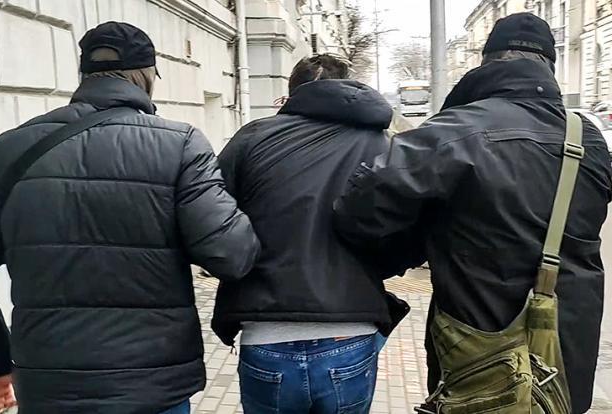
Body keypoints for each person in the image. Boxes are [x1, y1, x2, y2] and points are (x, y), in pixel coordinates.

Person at [0, 22, 260, 414]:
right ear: (148, 76)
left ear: (84, 74)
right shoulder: (180, 145)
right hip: (153, 386)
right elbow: (231, 255)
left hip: (50, 388)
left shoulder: (11, 148)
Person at [334, 13, 611, 414]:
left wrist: (418, 237)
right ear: (549, 67)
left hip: (479, 365)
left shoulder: (456, 130)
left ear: (487, 61)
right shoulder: (588, 139)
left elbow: (357, 209)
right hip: (564, 365)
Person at [212, 54, 414, 414]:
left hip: (266, 332)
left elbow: (215, 222)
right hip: (351, 328)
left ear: (291, 93)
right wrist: (373, 268)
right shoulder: (382, 145)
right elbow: (405, 232)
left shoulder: (253, 138)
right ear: (349, 86)